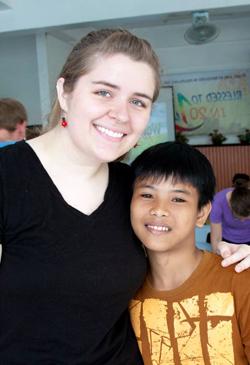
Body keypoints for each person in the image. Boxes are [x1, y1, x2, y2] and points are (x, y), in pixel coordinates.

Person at [0, 28, 250, 363]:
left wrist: (233, 253)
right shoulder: (8, 178)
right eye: (104, 92)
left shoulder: (130, 187)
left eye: (137, 101)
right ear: (66, 91)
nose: (121, 114)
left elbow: (172, 250)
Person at [129, 142, 250, 364]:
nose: (159, 209)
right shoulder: (121, 293)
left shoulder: (240, 280)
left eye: (178, 199)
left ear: (202, 213)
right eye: (147, 194)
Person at [210, 173, 250, 252]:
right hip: (227, 240)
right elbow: (216, 239)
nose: (242, 222)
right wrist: (218, 254)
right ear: (230, 207)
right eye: (238, 218)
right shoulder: (218, 201)